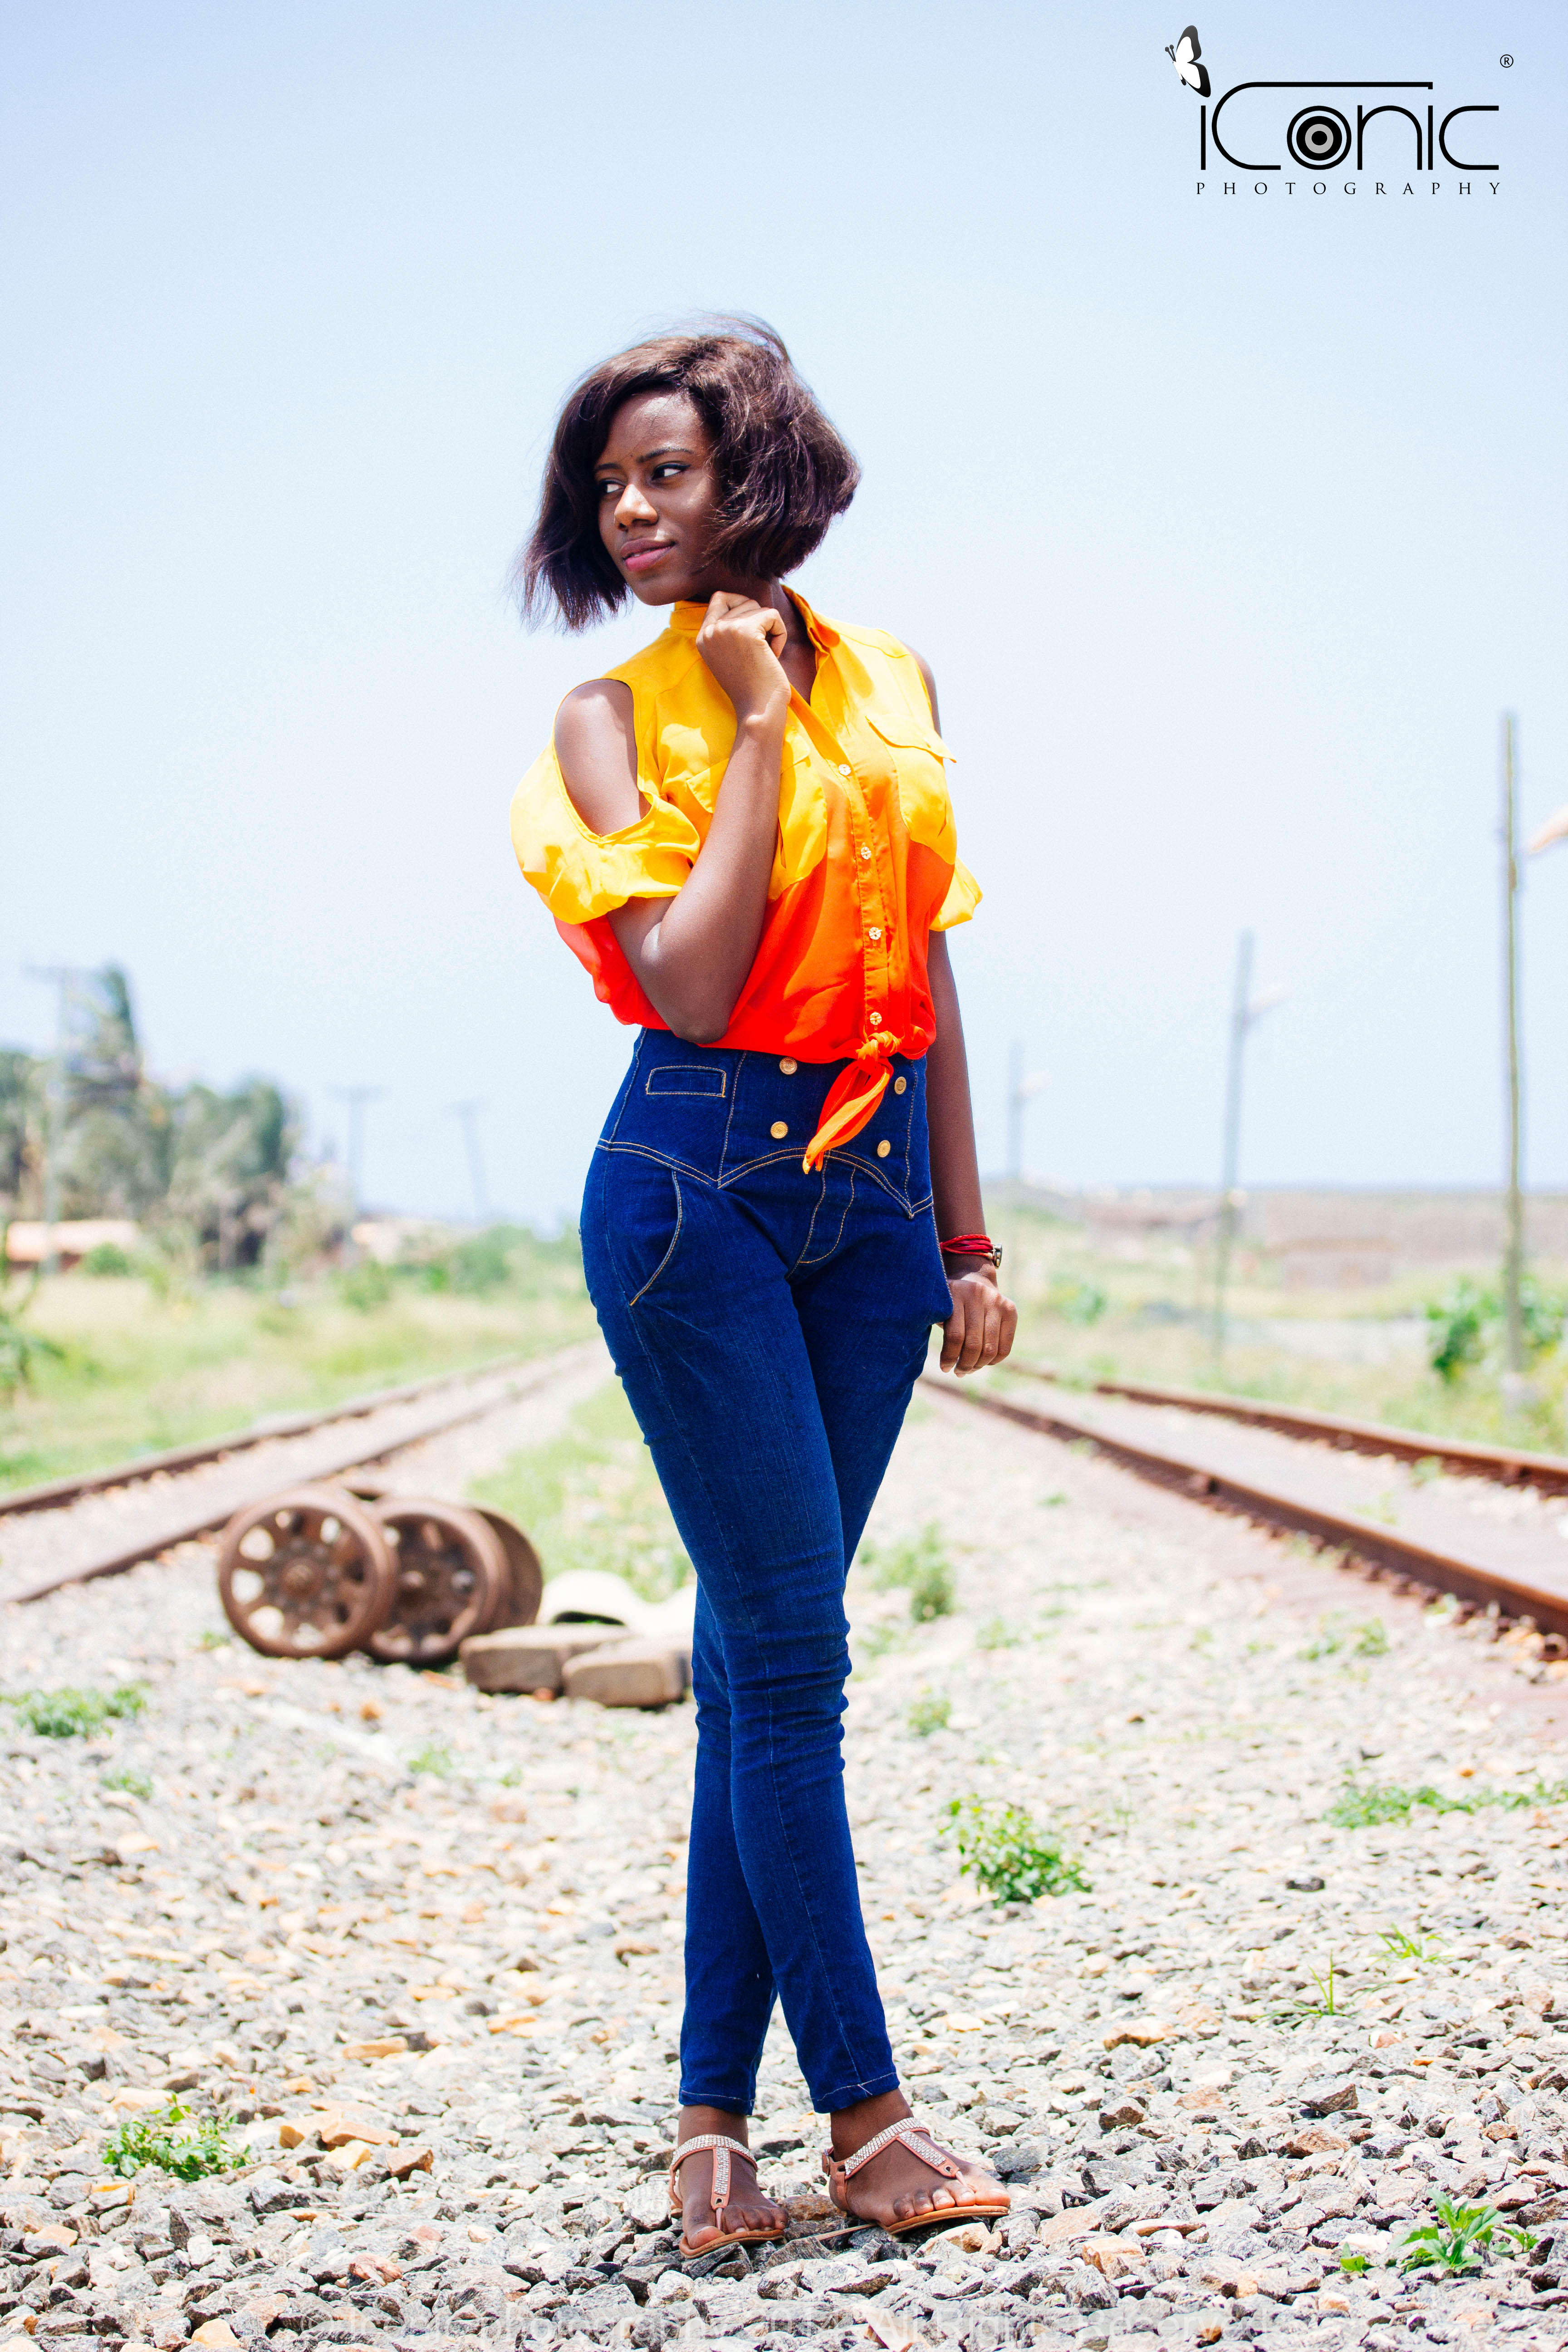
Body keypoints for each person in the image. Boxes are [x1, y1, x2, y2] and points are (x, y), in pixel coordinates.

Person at [510, 320, 1018, 2257]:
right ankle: (869, 2119)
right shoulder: (605, 717)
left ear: (763, 477)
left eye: (670, 474)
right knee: (795, 1662)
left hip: (874, 1204)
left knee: (752, 1661)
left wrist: (965, 1236)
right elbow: (699, 982)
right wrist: (743, 726)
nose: (634, 513)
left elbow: (933, 961)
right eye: (611, 486)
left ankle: (711, 2133)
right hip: (691, 1190)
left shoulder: (897, 678)